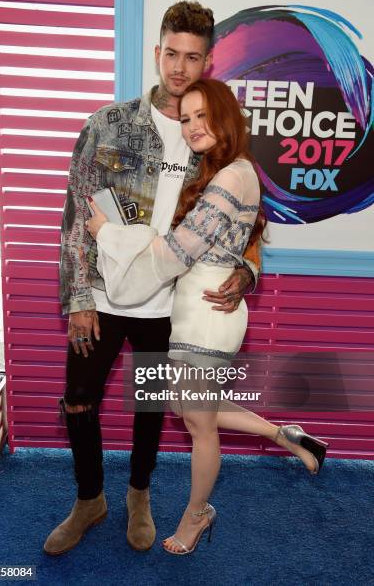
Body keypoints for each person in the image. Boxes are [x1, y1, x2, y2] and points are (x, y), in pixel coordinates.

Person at [44, 1, 261, 556]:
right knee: (77, 400)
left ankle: (139, 496)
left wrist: (247, 270)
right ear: (157, 51)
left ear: (208, 61)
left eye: (192, 57)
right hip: (104, 294)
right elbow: (76, 217)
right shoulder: (107, 124)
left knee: (150, 404)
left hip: (172, 304)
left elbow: (244, 221)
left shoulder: (210, 138)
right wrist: (79, 297)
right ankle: (90, 499)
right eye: (170, 53)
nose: (179, 67)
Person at [86, 79, 329, 555]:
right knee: (188, 409)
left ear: (226, 118)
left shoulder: (232, 176)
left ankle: (196, 517)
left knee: (198, 424)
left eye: (203, 116)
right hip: (197, 311)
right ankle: (284, 434)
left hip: (208, 316)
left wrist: (108, 233)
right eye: (186, 118)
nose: (194, 126)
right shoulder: (228, 172)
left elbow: (179, 251)